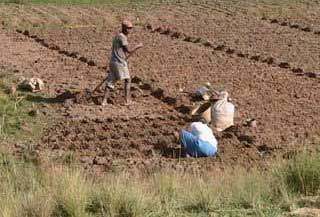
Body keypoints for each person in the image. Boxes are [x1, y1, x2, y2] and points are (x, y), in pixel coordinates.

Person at [101, 20, 143, 106]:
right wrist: (138, 46)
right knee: (128, 80)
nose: (130, 30)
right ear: (124, 28)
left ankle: (104, 101)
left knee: (110, 81)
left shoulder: (117, 36)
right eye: (128, 28)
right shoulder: (122, 37)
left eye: (131, 28)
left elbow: (122, 50)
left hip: (113, 61)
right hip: (119, 62)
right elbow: (129, 50)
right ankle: (127, 101)